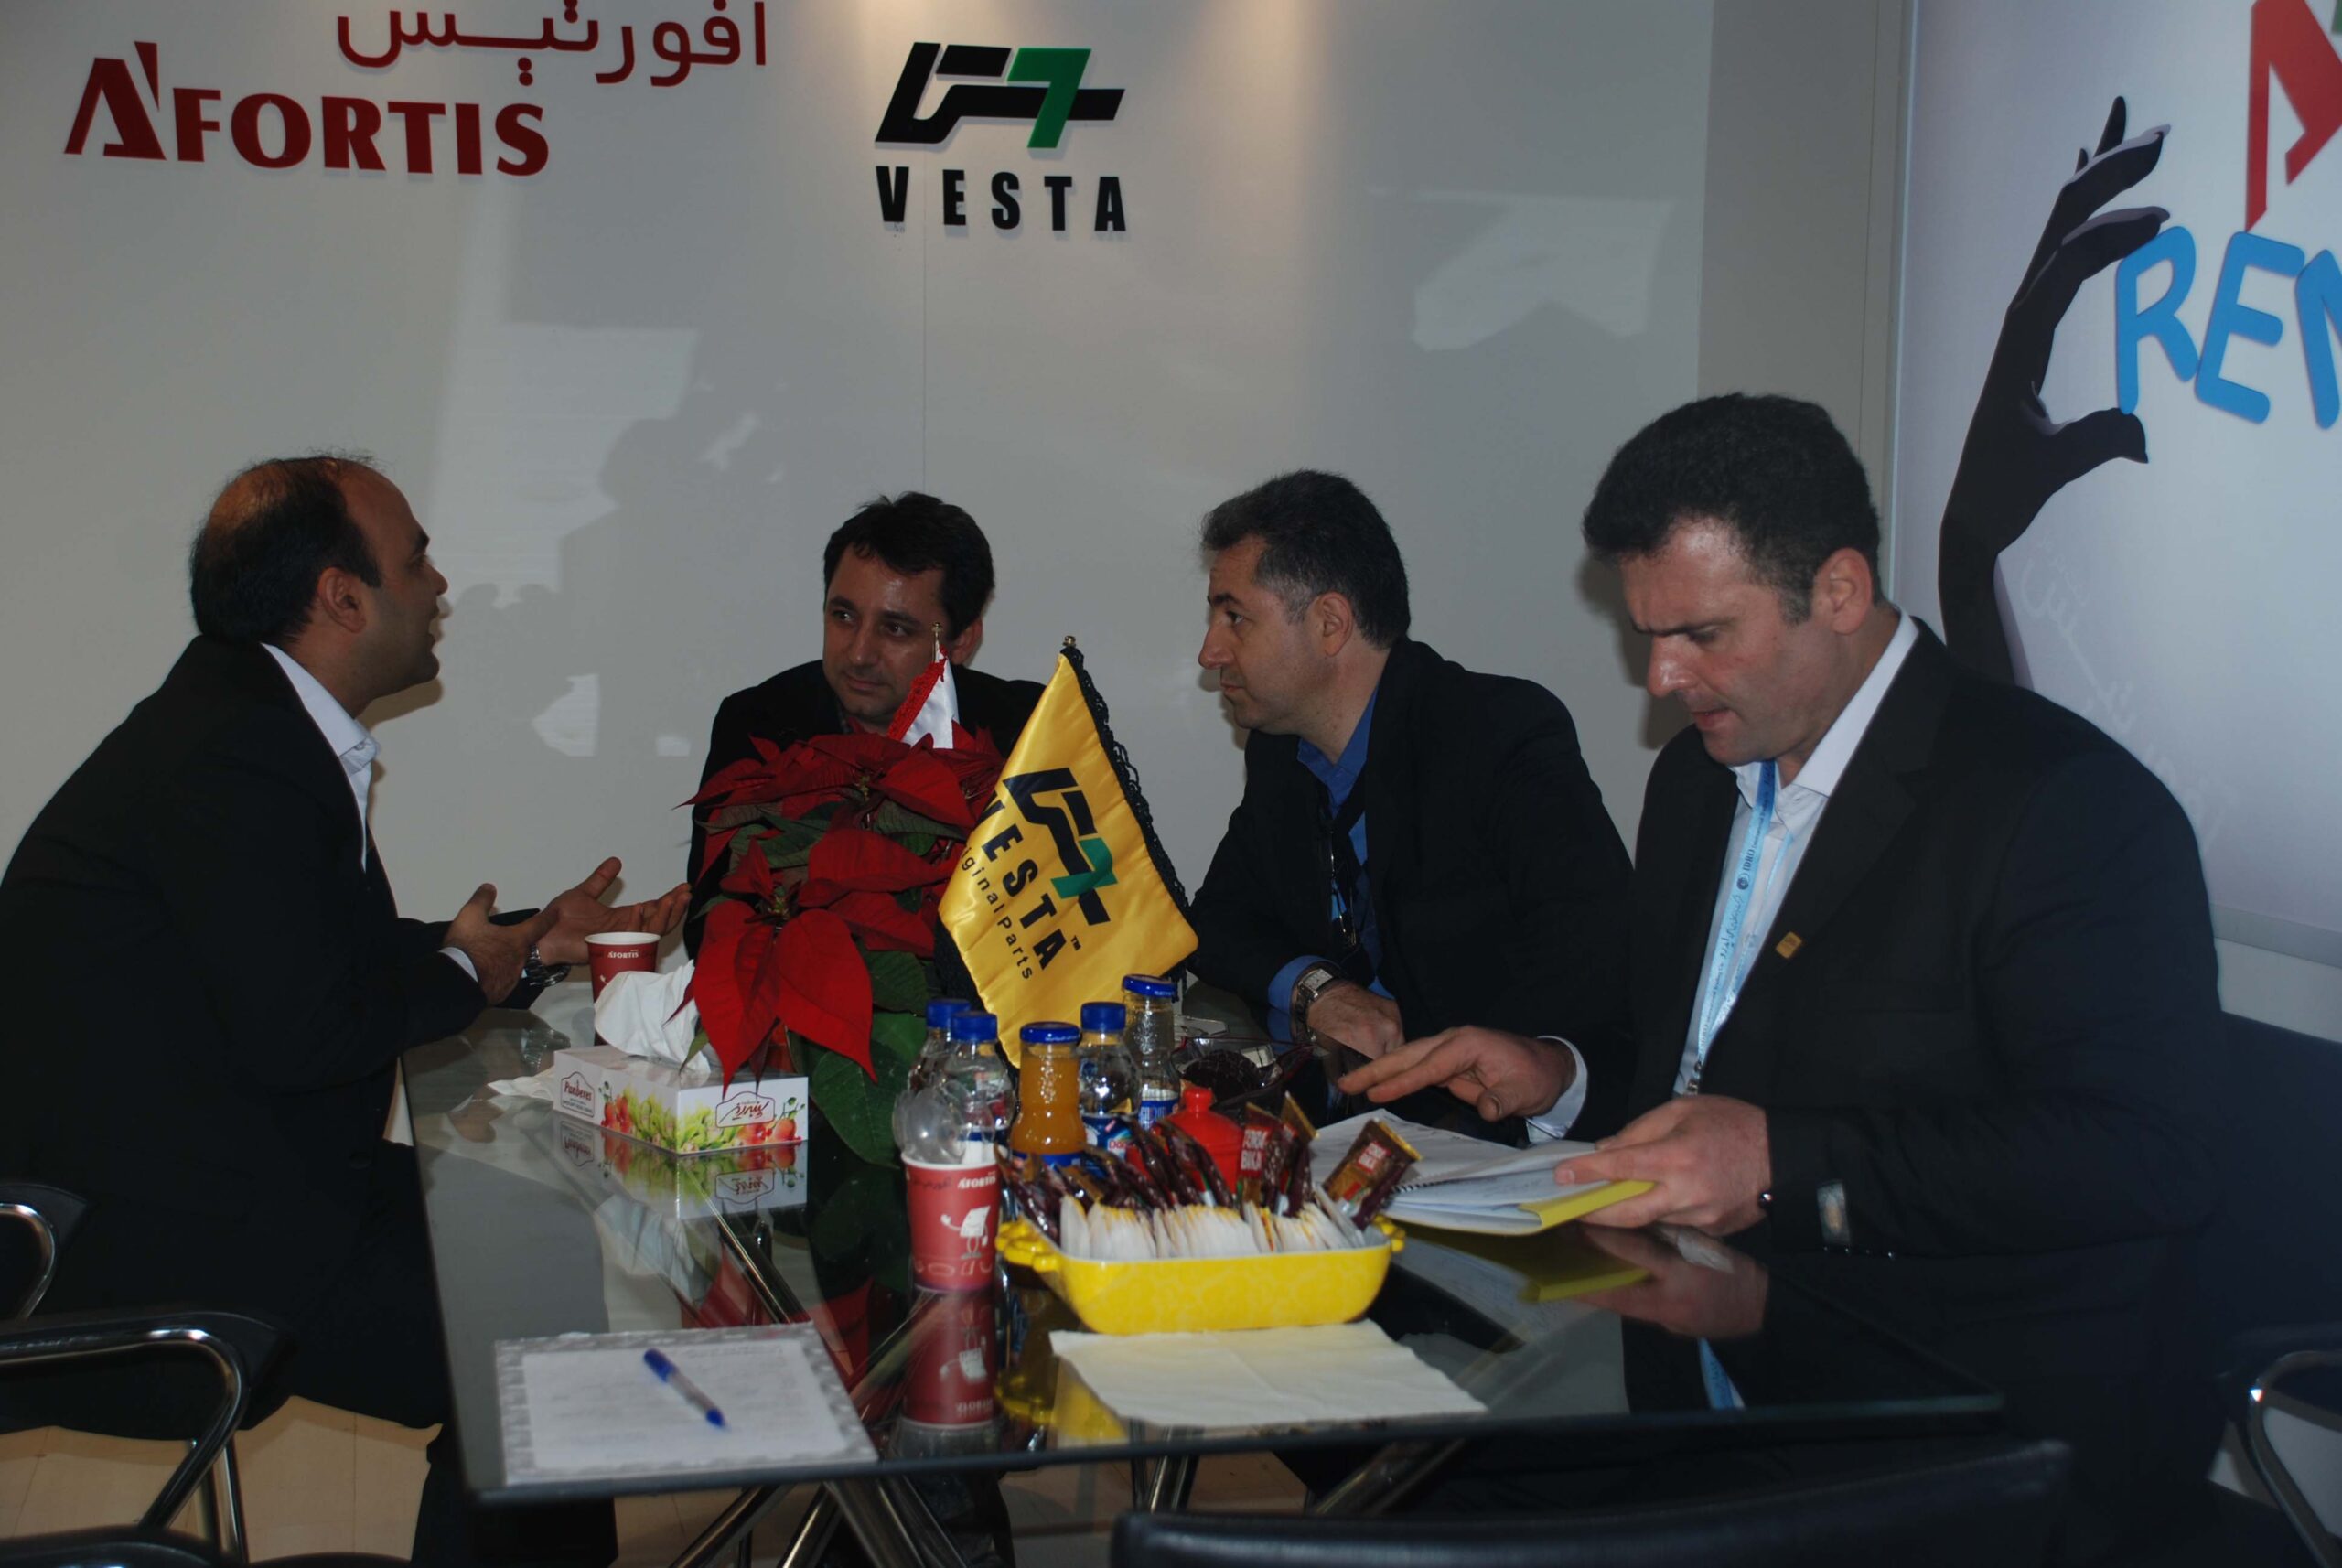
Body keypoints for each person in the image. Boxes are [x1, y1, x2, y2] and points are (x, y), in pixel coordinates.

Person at [0, 454, 687, 1564]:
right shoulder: (236, 752)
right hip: (146, 1240)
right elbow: (309, 1027)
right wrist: (472, 972)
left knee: (533, 1244)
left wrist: (527, 943)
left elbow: (304, 957)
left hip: (208, 1176)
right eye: (416, 560)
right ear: (341, 596)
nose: (440, 584)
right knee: (532, 1347)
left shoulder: (238, 719)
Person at [1346, 393, 2217, 1266]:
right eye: (1649, 636)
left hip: (1936, 1331)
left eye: (1702, 633)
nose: (1661, 677)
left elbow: (2144, 1157)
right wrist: (1560, 1078)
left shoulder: (2061, 804)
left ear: (1839, 592)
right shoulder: (1692, 782)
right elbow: (1692, 1079)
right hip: (1686, 1305)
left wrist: (1783, 1169)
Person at [1187, 469, 1634, 1137]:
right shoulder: (1281, 753)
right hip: (1351, 1132)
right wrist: (1317, 991)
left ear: (1330, 623)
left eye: (1235, 618)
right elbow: (1218, 922)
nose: (1210, 652)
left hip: (1502, 1139)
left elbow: (1602, 971)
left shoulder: (1497, 734)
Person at [687, 492, 1044, 914]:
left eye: (895, 629)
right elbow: (712, 917)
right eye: (844, 616)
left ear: (962, 641)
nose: (858, 654)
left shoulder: (1029, 728)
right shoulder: (759, 723)